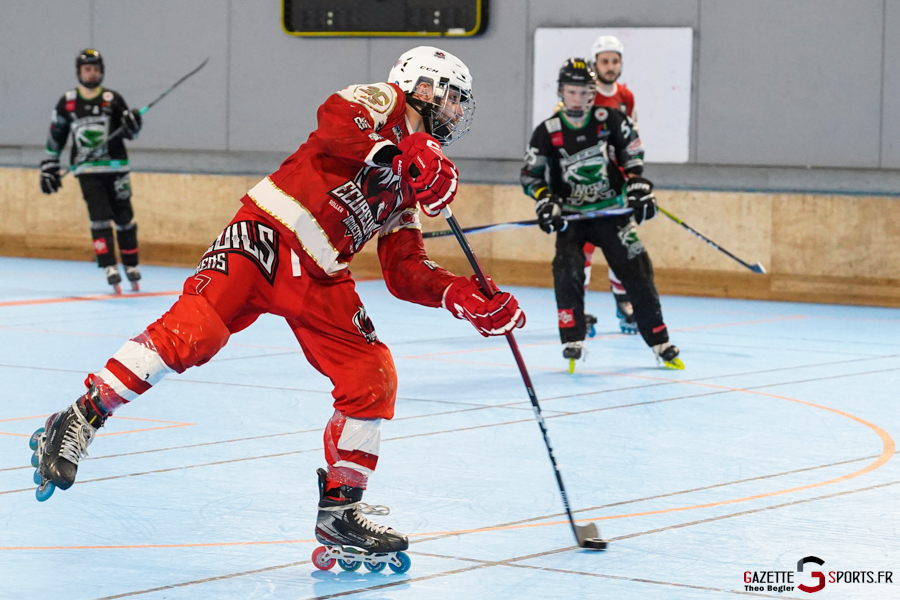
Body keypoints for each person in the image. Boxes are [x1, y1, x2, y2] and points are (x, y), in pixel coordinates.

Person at [29, 46, 525, 572]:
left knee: (371, 375)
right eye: (453, 98)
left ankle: (340, 511)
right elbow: (335, 120)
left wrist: (462, 294)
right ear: (423, 87)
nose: (457, 111)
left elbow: (404, 269)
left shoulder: (414, 177)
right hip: (267, 234)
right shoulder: (385, 102)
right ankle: (80, 416)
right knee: (195, 332)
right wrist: (402, 153)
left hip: (323, 273)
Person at [520, 58, 681, 370]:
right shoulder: (547, 131)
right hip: (571, 218)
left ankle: (659, 340)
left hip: (612, 213)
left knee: (638, 271)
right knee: (567, 272)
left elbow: (632, 153)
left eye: (583, 92)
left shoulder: (610, 119)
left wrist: (637, 185)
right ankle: (572, 338)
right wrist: (544, 200)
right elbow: (530, 175)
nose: (577, 99)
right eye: (571, 91)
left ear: (593, 93)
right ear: (561, 92)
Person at [40, 49, 144, 293]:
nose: (92, 73)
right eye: (87, 69)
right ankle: (109, 265)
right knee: (99, 217)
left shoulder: (112, 99)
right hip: (87, 170)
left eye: (96, 69)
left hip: (116, 168)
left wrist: (134, 123)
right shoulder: (68, 101)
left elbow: (130, 133)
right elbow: (57, 133)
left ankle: (131, 263)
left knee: (124, 217)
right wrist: (49, 164)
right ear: (79, 72)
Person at [583, 35, 640, 335]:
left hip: (617, 185)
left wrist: (633, 178)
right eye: (604, 61)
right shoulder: (584, 95)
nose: (610, 66)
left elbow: (631, 138)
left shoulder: (626, 96)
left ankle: (624, 304)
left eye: (615, 61)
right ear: (596, 64)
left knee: (622, 245)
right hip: (587, 185)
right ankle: (578, 307)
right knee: (584, 248)